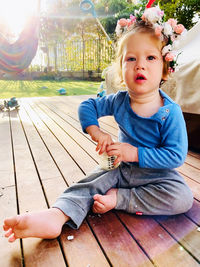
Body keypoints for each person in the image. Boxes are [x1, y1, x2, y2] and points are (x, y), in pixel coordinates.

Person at [3, 5, 193, 243]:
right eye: (131, 58)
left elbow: (175, 156)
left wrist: (135, 152)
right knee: (90, 183)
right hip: (119, 169)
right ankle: (57, 215)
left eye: (151, 58)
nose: (140, 65)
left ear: (165, 70)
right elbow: (88, 106)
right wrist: (96, 131)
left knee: (183, 197)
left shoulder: (169, 112)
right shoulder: (119, 101)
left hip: (157, 176)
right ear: (121, 70)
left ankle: (120, 199)